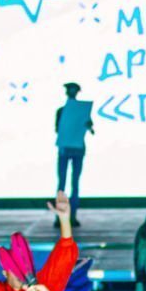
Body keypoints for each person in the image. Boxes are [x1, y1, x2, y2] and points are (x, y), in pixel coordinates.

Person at [54, 83, 95, 227]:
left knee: (74, 183)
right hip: (66, 148)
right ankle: (60, 216)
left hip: (76, 149)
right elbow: (58, 129)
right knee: (63, 183)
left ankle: (72, 216)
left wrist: (87, 126)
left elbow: (89, 127)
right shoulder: (62, 111)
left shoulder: (82, 111)